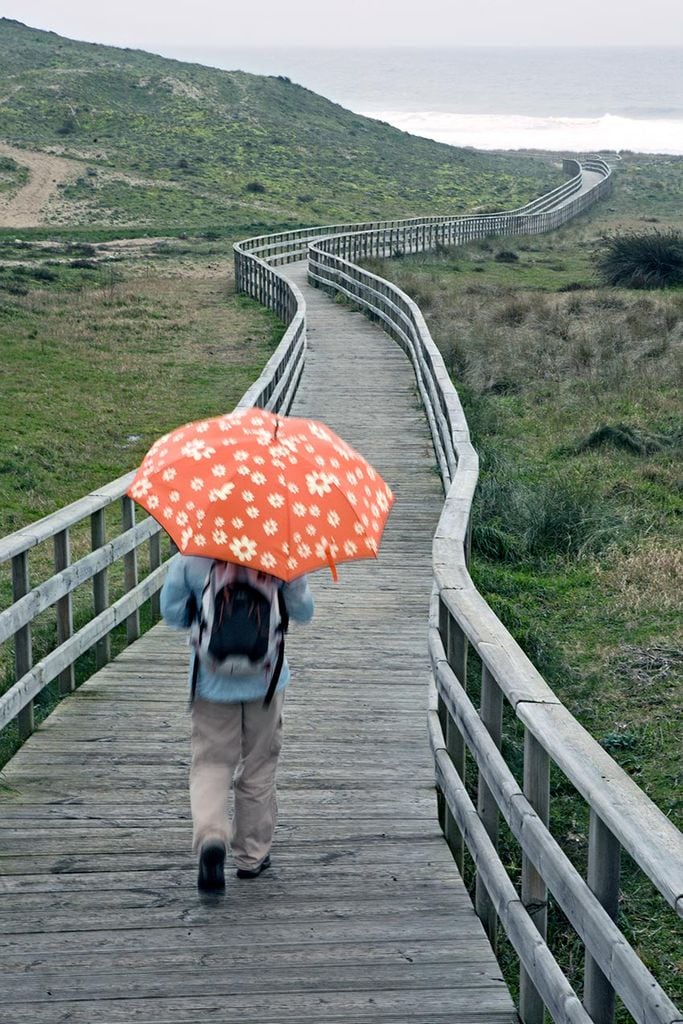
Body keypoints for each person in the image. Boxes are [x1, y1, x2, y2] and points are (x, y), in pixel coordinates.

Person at [160, 554, 314, 892]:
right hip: (267, 680)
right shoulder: (279, 551)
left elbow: (171, 613)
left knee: (211, 762)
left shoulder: (192, 556)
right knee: (259, 765)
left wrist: (202, 614)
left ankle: (212, 835)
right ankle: (251, 856)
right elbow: (304, 610)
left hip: (209, 681)